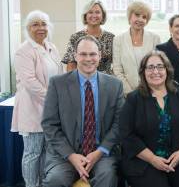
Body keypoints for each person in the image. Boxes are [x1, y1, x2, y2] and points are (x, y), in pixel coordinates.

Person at [41, 36, 124, 187]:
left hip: (102, 153)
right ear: (75, 56)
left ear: (99, 55)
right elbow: (49, 124)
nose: (88, 59)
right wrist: (71, 156)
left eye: (92, 54)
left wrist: (100, 151)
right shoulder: (57, 84)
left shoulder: (115, 85)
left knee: (107, 177)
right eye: (83, 54)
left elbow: (120, 124)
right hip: (65, 154)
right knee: (56, 180)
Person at [120, 50, 179, 187]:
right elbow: (126, 134)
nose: (155, 71)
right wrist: (152, 159)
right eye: (150, 67)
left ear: (167, 70)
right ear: (143, 72)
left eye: (160, 66)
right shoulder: (133, 99)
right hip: (145, 162)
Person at [11, 10, 63, 187]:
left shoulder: (51, 47)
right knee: (33, 152)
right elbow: (30, 82)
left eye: (43, 24)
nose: (40, 28)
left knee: (47, 152)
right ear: (28, 28)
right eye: (35, 24)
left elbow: (59, 76)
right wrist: (52, 98)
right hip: (32, 108)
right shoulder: (23, 51)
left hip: (50, 109)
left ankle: (43, 184)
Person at [113, 1, 161, 95]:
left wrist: (150, 90)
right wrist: (131, 93)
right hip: (127, 94)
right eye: (137, 15)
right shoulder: (118, 40)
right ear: (130, 16)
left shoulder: (155, 38)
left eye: (144, 17)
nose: (140, 19)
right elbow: (117, 70)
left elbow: (158, 67)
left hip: (151, 92)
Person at [62, 0, 114, 74]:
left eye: (97, 12)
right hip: (82, 82)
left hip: (106, 82)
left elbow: (117, 65)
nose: (94, 15)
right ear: (85, 15)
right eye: (90, 12)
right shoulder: (75, 37)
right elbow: (71, 66)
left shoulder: (111, 38)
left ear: (103, 15)